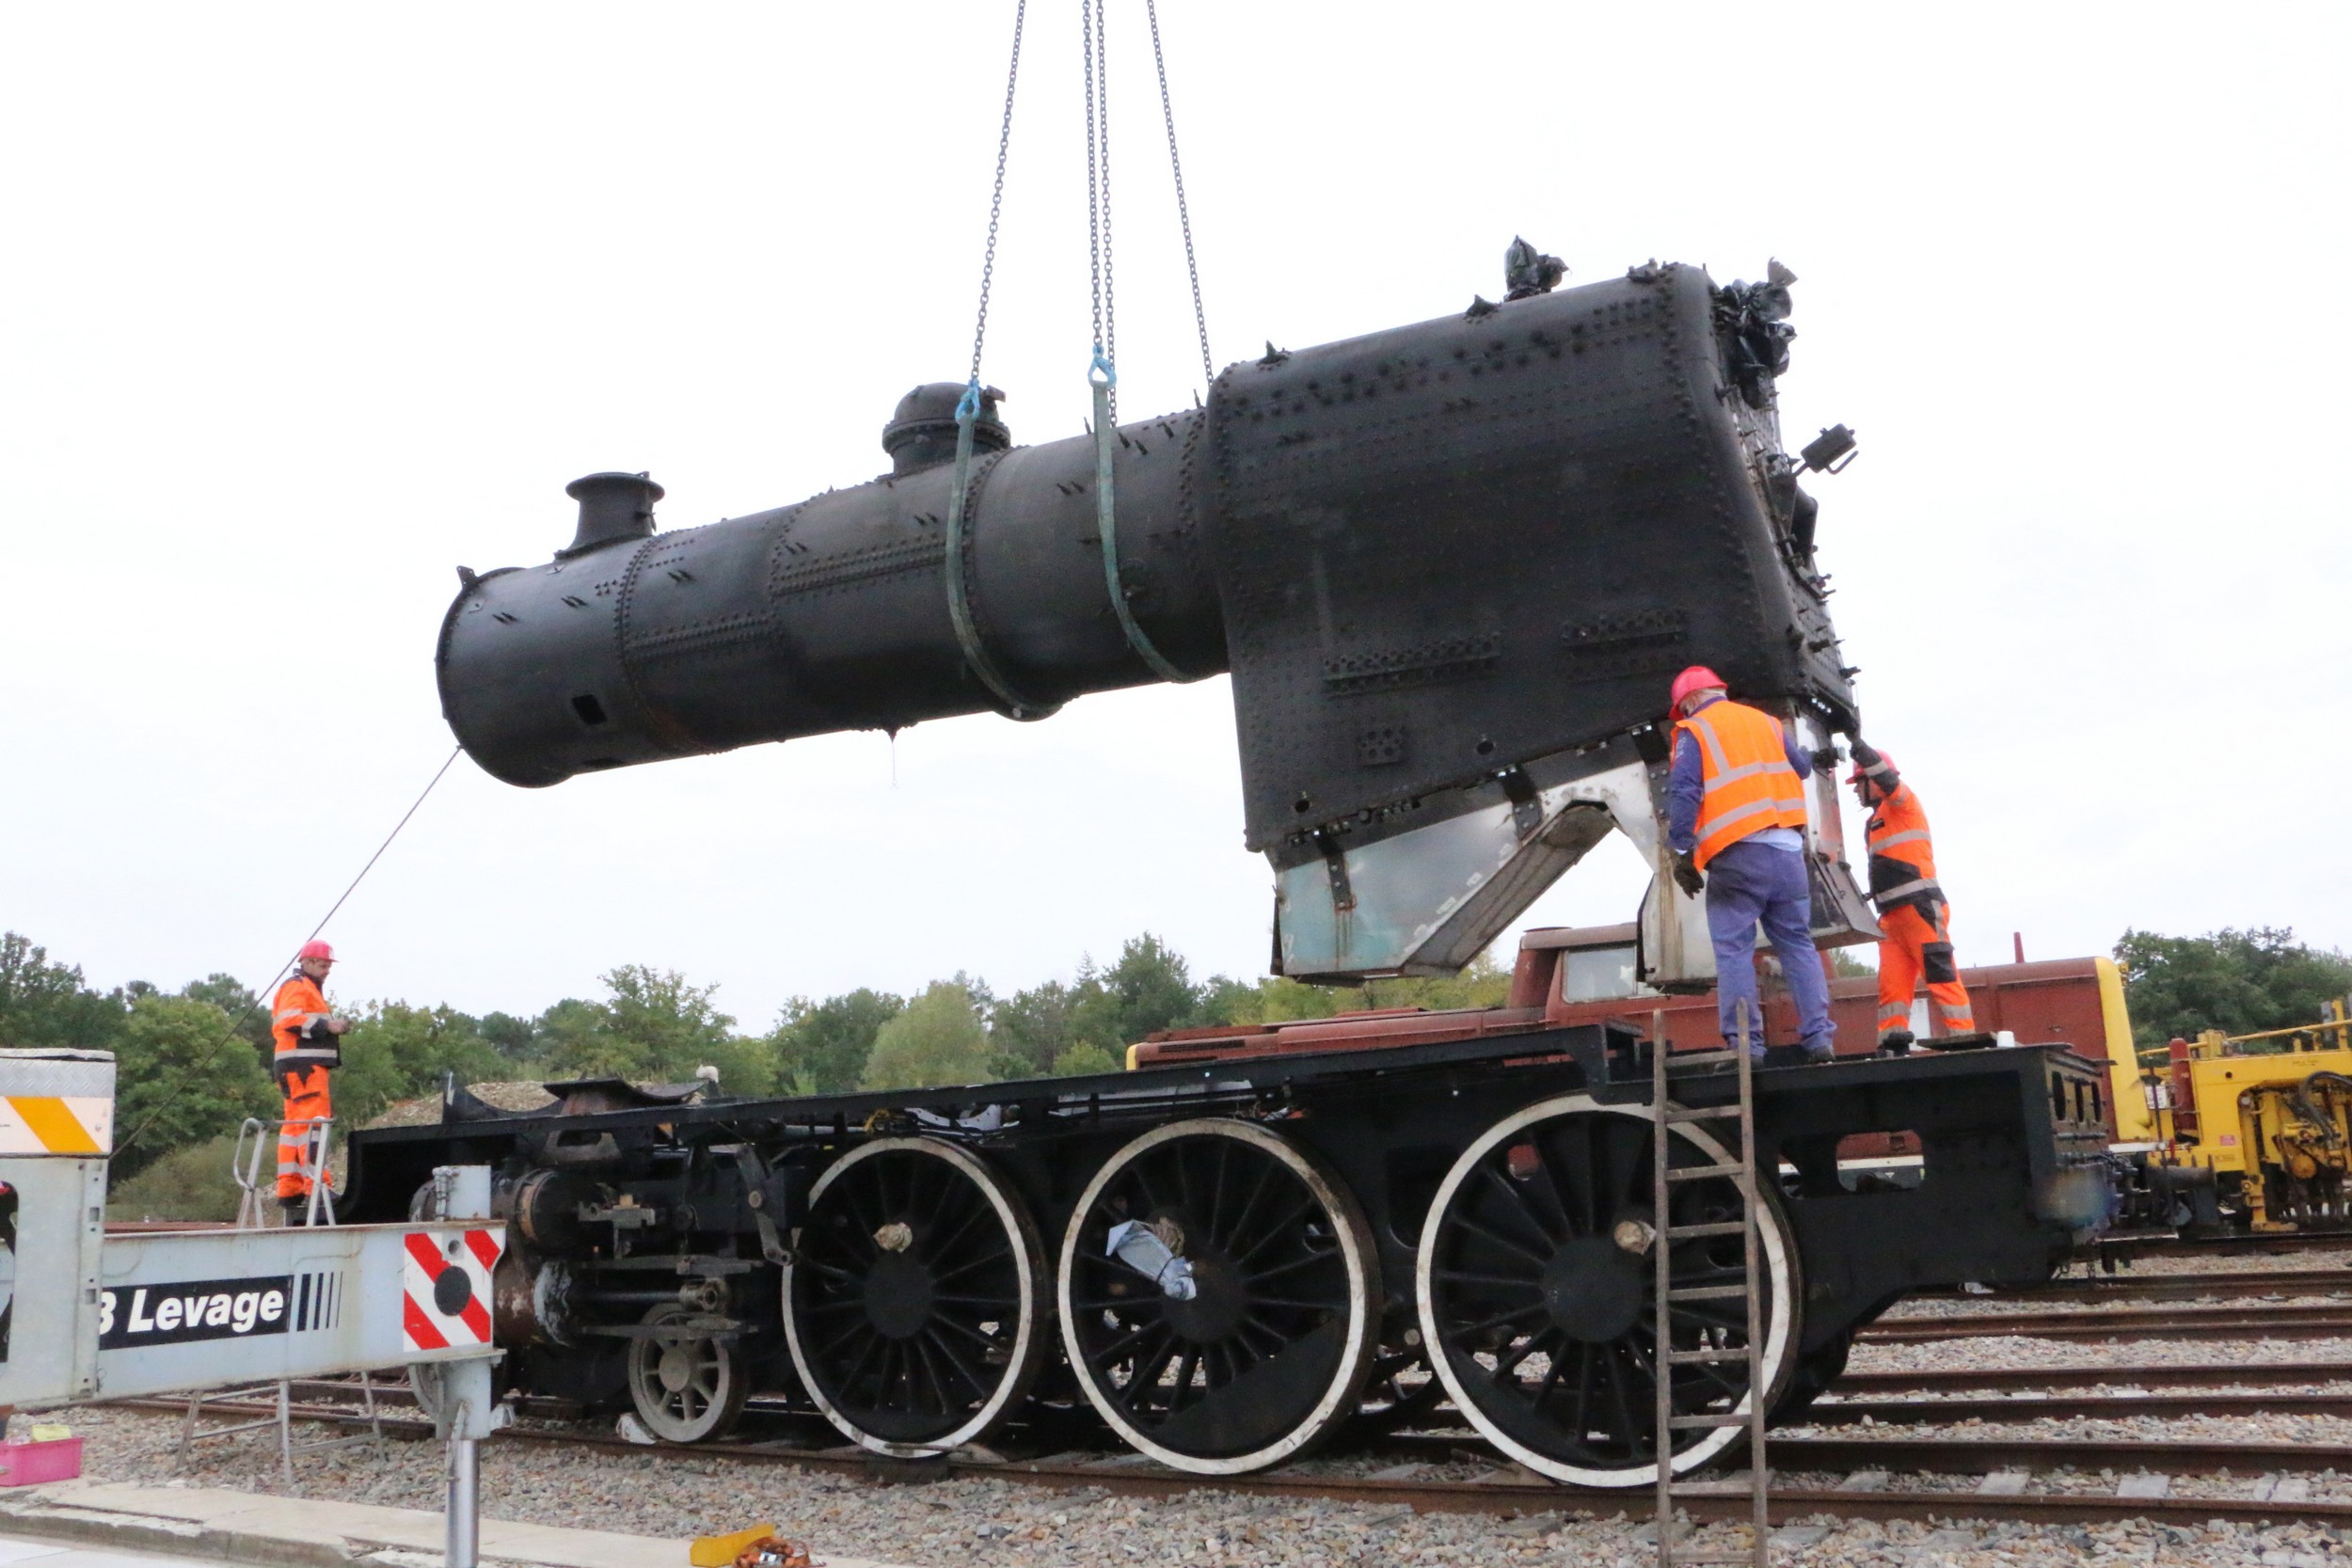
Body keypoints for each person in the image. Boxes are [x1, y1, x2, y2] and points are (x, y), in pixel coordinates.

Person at [1663, 666, 1836, 1064]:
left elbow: (1685, 790)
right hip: (1788, 852)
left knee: (1734, 950)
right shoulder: (1767, 723)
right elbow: (1804, 767)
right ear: (1720, 690)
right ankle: (1819, 1039)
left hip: (1739, 854)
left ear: (1688, 702)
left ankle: (1747, 1046)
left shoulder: (1695, 731)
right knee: (1797, 944)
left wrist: (1681, 850)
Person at [1848, 742, 1976, 1050]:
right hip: (1891, 918)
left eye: (1858, 783)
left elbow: (1890, 781)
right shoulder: (1875, 822)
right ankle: (1891, 1045)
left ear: (1875, 780)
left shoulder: (1904, 803)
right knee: (1892, 991)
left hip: (1920, 908)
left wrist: (1858, 747)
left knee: (1940, 975)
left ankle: (1966, 1040)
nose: (1855, 792)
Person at [271, 940, 350, 1223]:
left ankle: (290, 1187)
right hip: (305, 1070)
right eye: (321, 964)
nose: (326, 970)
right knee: (313, 1126)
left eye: (328, 965)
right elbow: (289, 1020)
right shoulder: (298, 986)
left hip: (295, 1068)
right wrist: (328, 1025)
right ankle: (318, 1186)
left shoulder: (304, 987)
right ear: (305, 962)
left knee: (294, 1128)